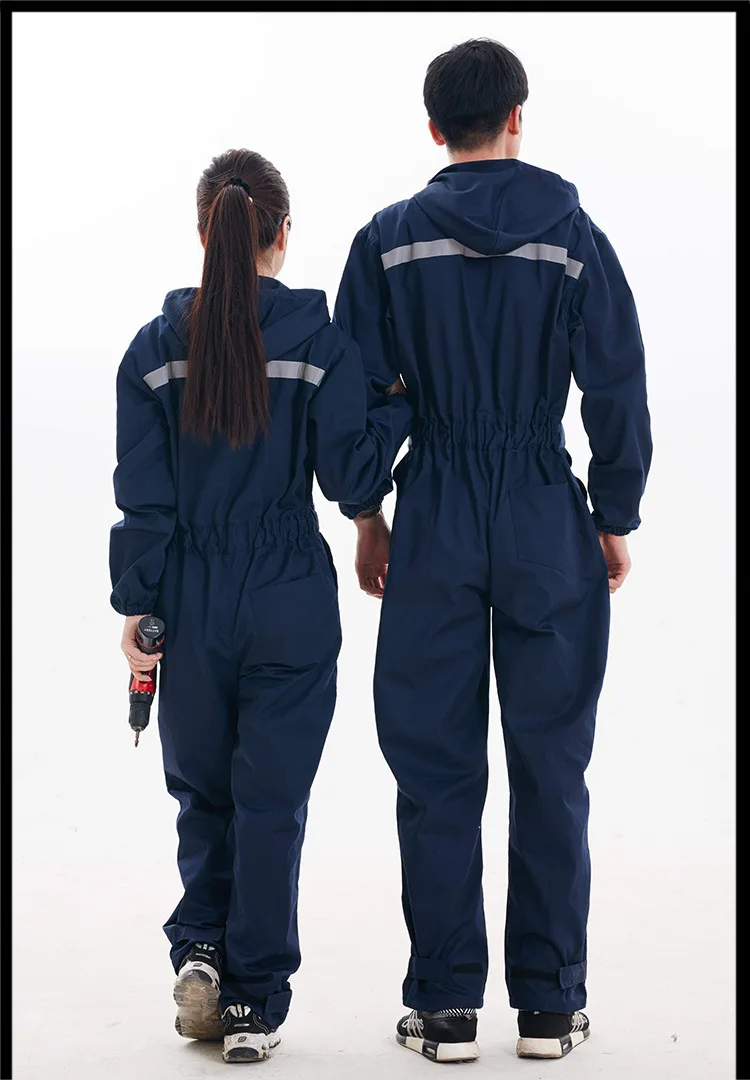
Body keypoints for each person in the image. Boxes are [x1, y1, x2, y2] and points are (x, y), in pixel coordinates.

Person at [334, 38, 652, 1064]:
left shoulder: (386, 241)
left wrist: (368, 512)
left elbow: (355, 397)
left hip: (433, 508)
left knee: (434, 762)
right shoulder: (575, 235)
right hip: (540, 510)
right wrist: (611, 513)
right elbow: (616, 383)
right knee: (551, 761)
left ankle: (446, 1009)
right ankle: (551, 1009)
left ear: (434, 128)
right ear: (519, 114)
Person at [109, 149, 411, 1065]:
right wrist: (400, 403)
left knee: (203, 793)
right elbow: (350, 475)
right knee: (270, 801)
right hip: (287, 595)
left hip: (190, 596)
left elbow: (145, 502)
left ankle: (200, 949)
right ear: (282, 234)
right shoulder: (319, 341)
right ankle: (251, 1001)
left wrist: (138, 608)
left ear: (204, 236)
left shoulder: (153, 351)